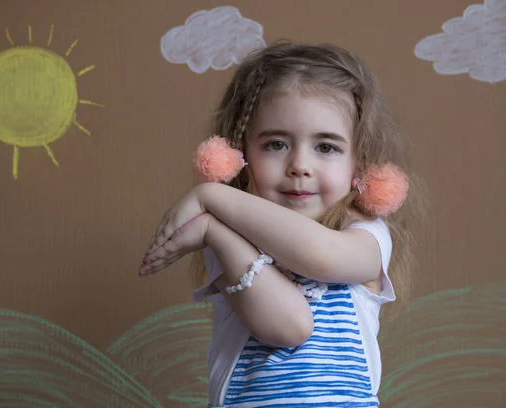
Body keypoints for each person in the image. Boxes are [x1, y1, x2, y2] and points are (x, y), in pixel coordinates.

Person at [140, 41, 424, 407]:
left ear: (360, 162)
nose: (299, 166)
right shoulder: (227, 237)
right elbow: (287, 326)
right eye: (276, 144)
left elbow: (321, 257)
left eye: (326, 147)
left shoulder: (367, 234)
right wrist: (215, 232)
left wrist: (211, 198)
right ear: (238, 155)